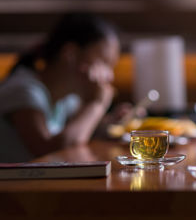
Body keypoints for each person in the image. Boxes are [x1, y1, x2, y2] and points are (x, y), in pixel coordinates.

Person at [0, 13, 120, 162]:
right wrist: (96, 104)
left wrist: (112, 122)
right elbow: (50, 150)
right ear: (70, 53)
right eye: (104, 63)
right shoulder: (23, 90)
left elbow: (77, 133)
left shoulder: (66, 99)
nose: (110, 76)